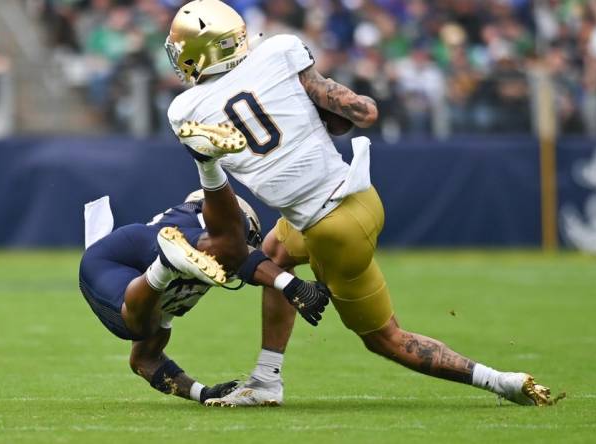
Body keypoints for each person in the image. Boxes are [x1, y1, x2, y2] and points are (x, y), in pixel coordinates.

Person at [164, 0, 552, 407]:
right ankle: (265, 381)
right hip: (359, 196)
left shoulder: (185, 110)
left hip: (330, 230)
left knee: (386, 338)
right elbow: (361, 112)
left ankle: (501, 381)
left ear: (197, 53)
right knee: (273, 256)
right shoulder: (279, 51)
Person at [78, 190, 330, 404]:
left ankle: (162, 269)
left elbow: (144, 360)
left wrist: (204, 393)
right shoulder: (225, 226)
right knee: (139, 326)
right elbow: (229, 249)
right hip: (118, 258)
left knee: (147, 328)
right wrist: (293, 285)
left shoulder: (197, 264)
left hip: (144, 266)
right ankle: (161, 268)